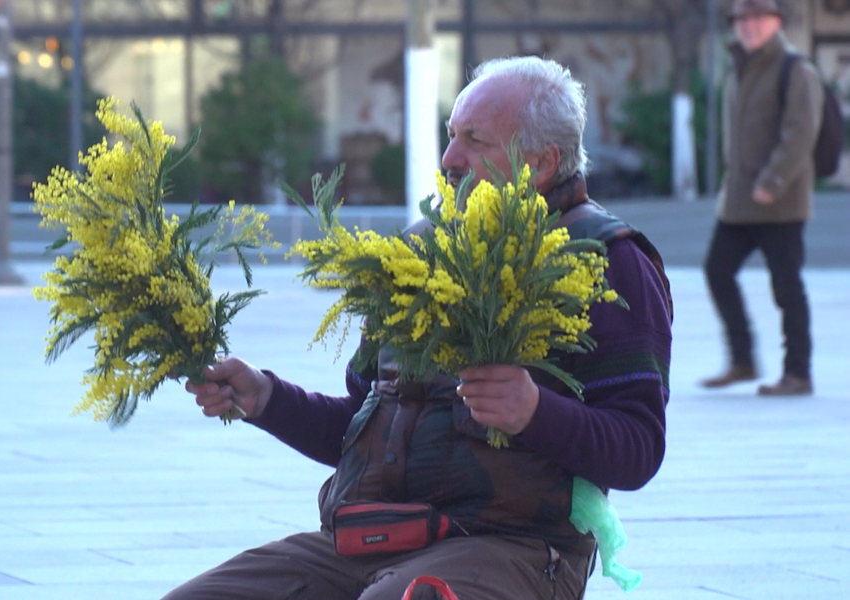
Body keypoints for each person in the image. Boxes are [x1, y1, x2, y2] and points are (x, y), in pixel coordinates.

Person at [164, 56, 673, 600]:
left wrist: (533, 412)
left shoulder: (603, 258)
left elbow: (638, 449)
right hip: (366, 541)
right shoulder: (416, 252)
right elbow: (359, 426)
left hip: (513, 550)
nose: (450, 158)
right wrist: (265, 398)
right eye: (451, 136)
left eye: (476, 141)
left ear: (542, 163)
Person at [700, 0, 822, 396]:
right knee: (717, 270)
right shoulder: (740, 67)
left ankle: (798, 373)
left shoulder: (794, 69)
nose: (749, 26)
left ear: (777, 21)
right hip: (738, 202)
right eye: (741, 19)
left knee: (787, 288)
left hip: (780, 202)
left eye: (758, 17)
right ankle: (743, 359)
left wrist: (774, 180)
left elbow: (800, 134)